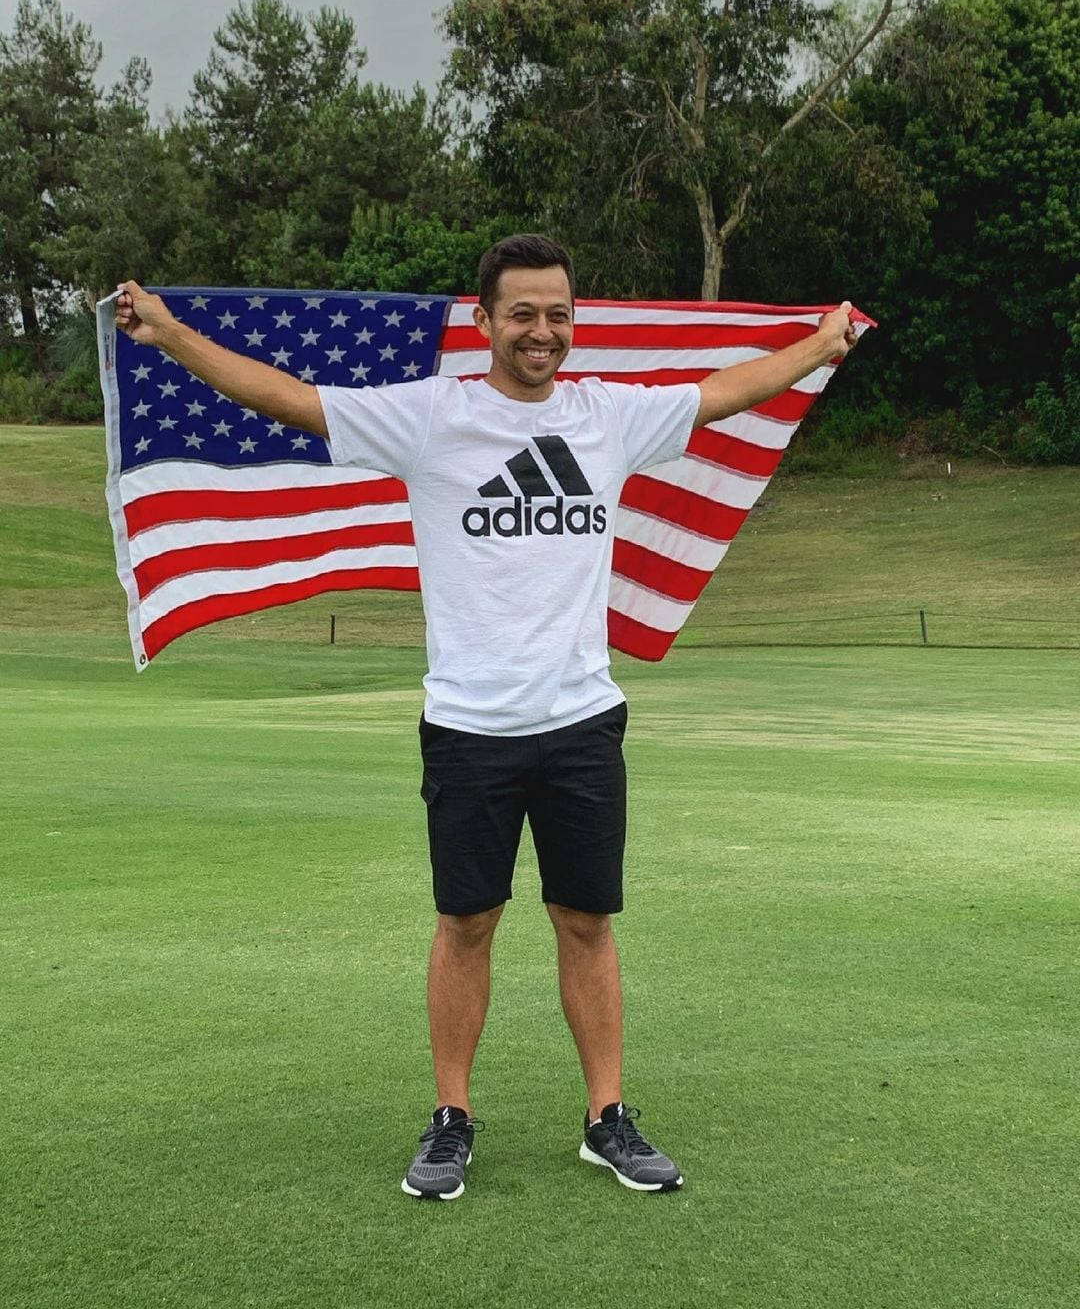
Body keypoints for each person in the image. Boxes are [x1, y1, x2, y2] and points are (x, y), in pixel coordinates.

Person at [115, 234, 859, 1201]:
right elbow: (286, 398)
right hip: (469, 726)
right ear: (486, 321)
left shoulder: (610, 417)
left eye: (556, 313)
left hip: (582, 719)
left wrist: (818, 346)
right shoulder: (434, 417)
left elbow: (726, 391)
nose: (541, 330)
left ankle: (607, 1119)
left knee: (586, 920)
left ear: (571, 320)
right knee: (466, 921)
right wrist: (170, 334)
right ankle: (452, 1119)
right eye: (522, 313)